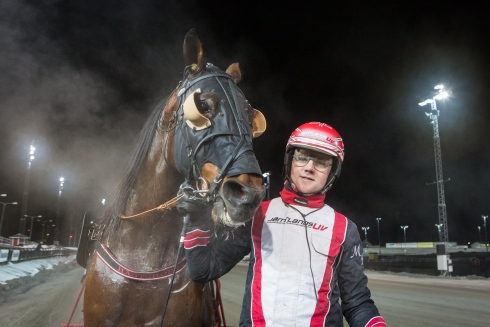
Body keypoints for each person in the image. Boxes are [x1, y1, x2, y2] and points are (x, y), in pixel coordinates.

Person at [179, 122, 387, 327]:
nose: (309, 167)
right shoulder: (257, 215)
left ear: (333, 171)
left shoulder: (344, 228)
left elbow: (357, 303)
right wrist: (196, 218)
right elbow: (204, 270)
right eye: (302, 157)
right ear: (289, 161)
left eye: (321, 162)